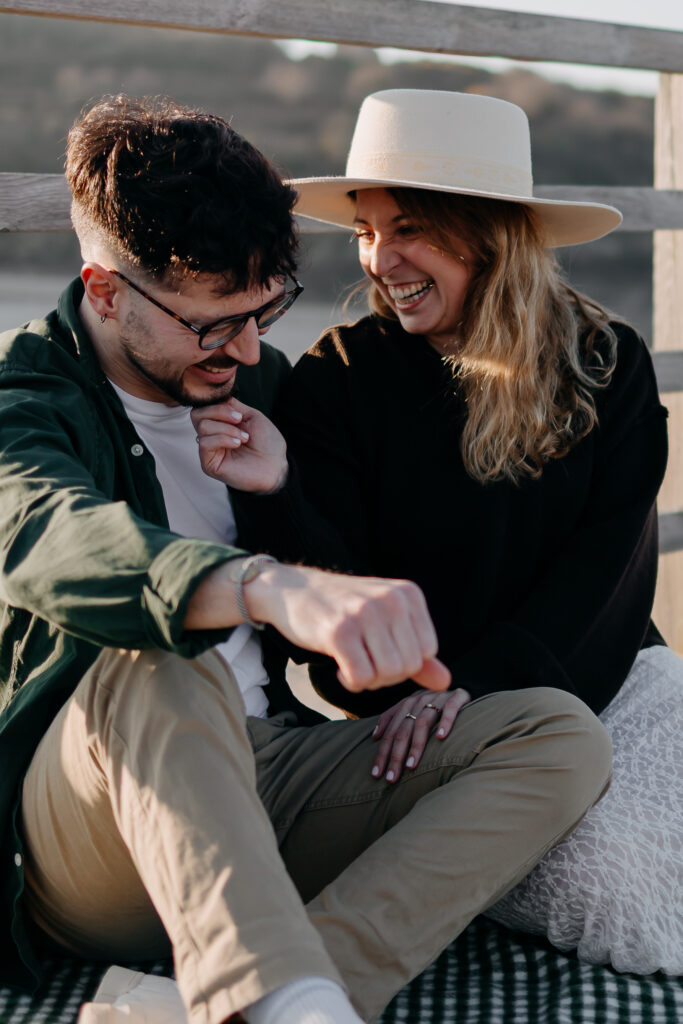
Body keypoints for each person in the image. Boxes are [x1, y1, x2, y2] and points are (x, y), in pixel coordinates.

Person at [0, 94, 612, 1024]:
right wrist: (264, 586)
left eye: (263, 312)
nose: (246, 349)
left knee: (557, 735)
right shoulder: (27, 398)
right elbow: (43, 532)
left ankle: (298, 997)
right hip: (94, 827)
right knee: (163, 656)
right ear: (105, 290)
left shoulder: (273, 389)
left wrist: (280, 501)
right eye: (213, 325)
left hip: (268, 775)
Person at [196, 89, 679, 976]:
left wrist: (490, 680)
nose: (381, 259)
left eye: (409, 226)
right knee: (585, 871)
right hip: (412, 710)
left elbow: (607, 570)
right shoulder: (339, 378)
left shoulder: (604, 364)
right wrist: (275, 490)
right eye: (367, 231)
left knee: (645, 883)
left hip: (595, 671)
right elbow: (332, 586)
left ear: (488, 232)